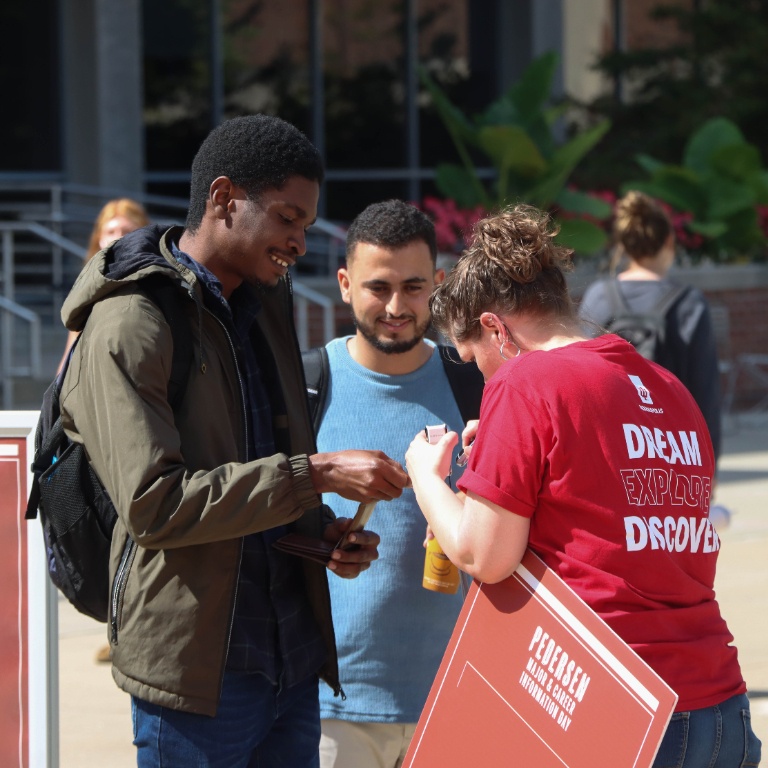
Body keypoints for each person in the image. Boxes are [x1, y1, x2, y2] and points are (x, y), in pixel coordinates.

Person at [58, 114, 410, 767]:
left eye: (305, 224)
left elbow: (258, 476)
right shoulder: (131, 320)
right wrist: (318, 473)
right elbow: (155, 505)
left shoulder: (264, 306)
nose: (300, 242)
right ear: (224, 200)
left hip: (290, 663)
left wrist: (319, 535)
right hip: (196, 681)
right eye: (287, 218)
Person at [405, 204, 761, 768]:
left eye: (477, 360)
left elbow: (483, 553)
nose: (484, 379)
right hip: (719, 709)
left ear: (496, 327)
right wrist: (497, 459)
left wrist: (426, 477)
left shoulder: (524, 380)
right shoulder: (666, 387)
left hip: (613, 708)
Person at [314, 200, 482, 768]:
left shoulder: (475, 384)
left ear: (438, 284)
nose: (395, 307)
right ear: (343, 284)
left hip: (463, 692)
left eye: (414, 288)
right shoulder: (305, 385)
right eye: (377, 287)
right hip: (332, 703)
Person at [578, 190, 722, 459]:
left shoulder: (599, 296)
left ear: (623, 244)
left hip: (612, 446)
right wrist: (710, 457)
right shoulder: (689, 303)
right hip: (673, 448)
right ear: (669, 241)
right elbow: (705, 389)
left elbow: (577, 377)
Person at [58, 198, 150, 375]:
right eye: (110, 231)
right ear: (99, 238)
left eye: (127, 231)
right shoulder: (87, 288)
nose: (118, 238)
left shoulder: (158, 280)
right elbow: (70, 354)